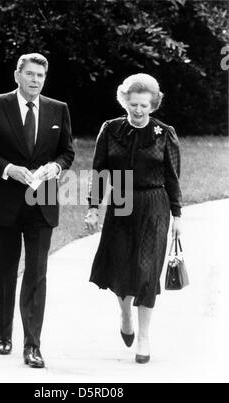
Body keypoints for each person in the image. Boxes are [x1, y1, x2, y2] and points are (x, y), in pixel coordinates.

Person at [0, 53, 74, 368]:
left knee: (37, 273)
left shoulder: (58, 109)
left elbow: (67, 151)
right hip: (4, 202)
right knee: (2, 271)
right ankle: (3, 333)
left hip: (42, 204)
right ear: (17, 75)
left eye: (40, 76)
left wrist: (54, 168)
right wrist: (8, 169)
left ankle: (32, 345)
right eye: (29, 74)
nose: (35, 80)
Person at [85, 73, 182, 364]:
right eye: (133, 104)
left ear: (153, 104)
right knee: (120, 265)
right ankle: (125, 313)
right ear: (124, 100)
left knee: (146, 270)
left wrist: (178, 215)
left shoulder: (165, 133)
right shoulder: (110, 129)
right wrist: (93, 207)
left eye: (144, 105)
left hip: (154, 204)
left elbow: (173, 177)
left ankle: (143, 336)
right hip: (121, 202)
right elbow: (100, 172)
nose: (138, 110)